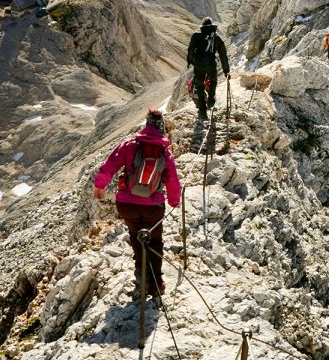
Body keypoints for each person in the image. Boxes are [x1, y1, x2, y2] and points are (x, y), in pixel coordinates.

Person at [93, 109, 181, 296]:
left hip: (127, 204)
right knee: (155, 242)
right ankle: (156, 284)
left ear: (146, 125)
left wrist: (99, 186)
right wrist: (174, 201)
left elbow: (110, 164)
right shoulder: (165, 153)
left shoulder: (130, 145)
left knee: (136, 236)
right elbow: (172, 180)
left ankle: (141, 276)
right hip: (153, 206)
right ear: (162, 127)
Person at [186, 17, 229, 120]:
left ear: (202, 26)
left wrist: (190, 61)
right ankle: (210, 100)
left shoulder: (196, 35)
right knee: (213, 81)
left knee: (200, 87)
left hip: (199, 66)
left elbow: (191, 50)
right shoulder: (216, 38)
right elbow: (223, 54)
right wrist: (226, 70)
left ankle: (202, 111)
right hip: (211, 65)